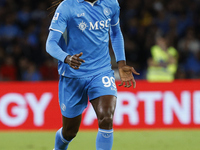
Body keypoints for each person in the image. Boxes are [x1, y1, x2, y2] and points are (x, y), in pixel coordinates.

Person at [46, 0, 139, 150]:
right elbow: (50, 44)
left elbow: (115, 32)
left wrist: (121, 63)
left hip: (101, 72)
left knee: (106, 117)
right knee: (70, 132)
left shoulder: (111, 3)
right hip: (72, 75)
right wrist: (67, 58)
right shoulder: (67, 6)